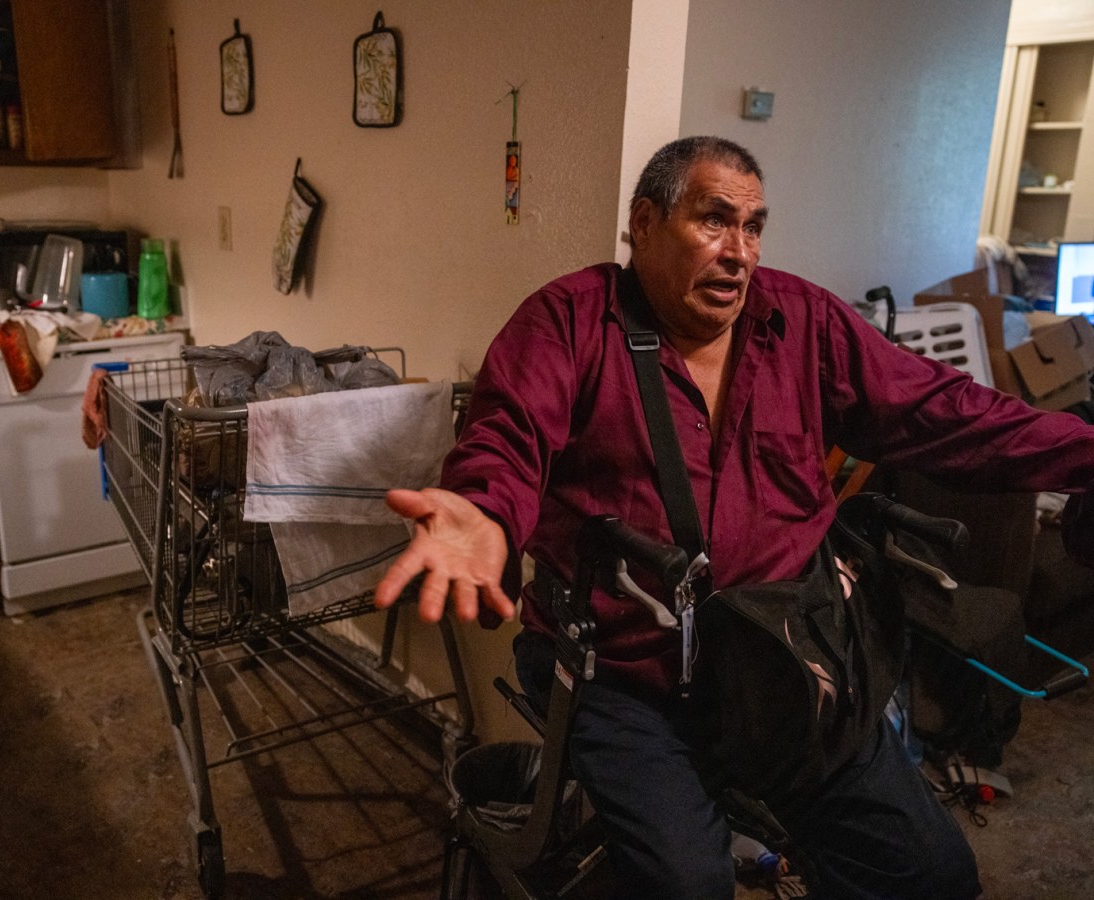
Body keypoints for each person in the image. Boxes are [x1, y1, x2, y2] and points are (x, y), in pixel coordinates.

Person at [374, 136, 1094, 899]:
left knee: (931, 873)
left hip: (790, 659)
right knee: (688, 885)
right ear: (643, 224)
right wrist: (483, 512)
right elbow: (508, 437)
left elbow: (946, 411)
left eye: (753, 227)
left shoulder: (804, 322)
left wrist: (1084, 453)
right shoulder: (569, 321)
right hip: (625, 677)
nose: (738, 252)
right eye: (714, 221)